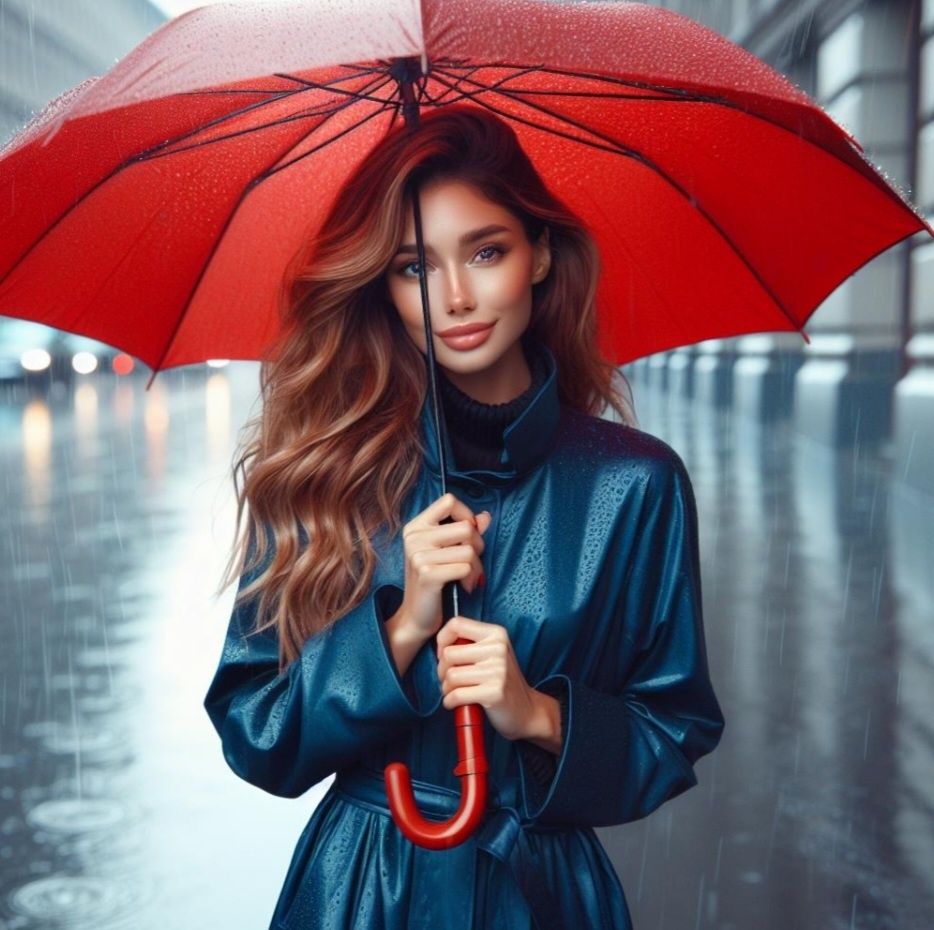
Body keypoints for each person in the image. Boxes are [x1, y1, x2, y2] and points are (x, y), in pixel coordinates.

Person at [202, 104, 724, 930]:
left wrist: (540, 715)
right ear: (383, 286)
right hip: (360, 893)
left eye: (486, 251)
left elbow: (674, 730)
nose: (455, 297)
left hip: (543, 893)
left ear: (541, 255)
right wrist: (401, 628)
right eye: (415, 268)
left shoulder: (635, 484)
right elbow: (258, 734)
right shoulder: (324, 474)